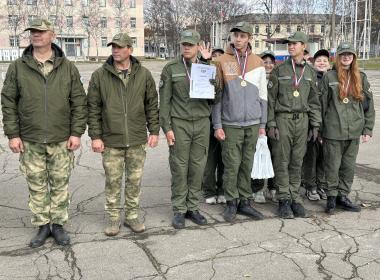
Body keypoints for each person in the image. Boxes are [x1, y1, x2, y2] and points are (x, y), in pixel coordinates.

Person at [1, 18, 87, 247]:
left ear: (52, 35)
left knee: (60, 183)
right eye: (33, 32)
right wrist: (13, 134)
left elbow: (79, 102)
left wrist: (76, 133)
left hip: (61, 138)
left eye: (41, 31)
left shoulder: (67, 67)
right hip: (30, 138)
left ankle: (57, 225)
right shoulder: (18, 67)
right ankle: (42, 225)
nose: (36, 35)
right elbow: (8, 101)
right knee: (36, 184)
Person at [87, 33, 159, 236]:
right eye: (113, 47)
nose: (115, 50)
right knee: (112, 181)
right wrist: (95, 136)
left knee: (134, 181)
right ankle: (112, 219)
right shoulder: (100, 76)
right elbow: (92, 108)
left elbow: (152, 105)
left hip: (136, 138)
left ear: (130, 49)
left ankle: (132, 216)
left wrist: (154, 131)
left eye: (120, 47)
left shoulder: (143, 75)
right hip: (111, 140)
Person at [159, 30, 214, 229]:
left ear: (199, 45)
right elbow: (164, 102)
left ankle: (192, 207)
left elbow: (215, 94)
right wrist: (167, 128)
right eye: (184, 44)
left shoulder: (206, 66)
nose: (187, 48)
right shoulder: (171, 68)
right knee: (180, 167)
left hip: (201, 122)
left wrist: (207, 65)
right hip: (180, 122)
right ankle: (179, 209)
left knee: (198, 167)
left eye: (191, 44)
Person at [212, 22, 267, 222]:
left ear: (249, 38)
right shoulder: (221, 61)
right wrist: (217, 124)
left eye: (243, 36)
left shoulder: (258, 62)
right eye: (236, 35)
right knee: (231, 165)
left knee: (247, 165)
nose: (238, 39)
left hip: (252, 123)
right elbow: (216, 96)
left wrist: (262, 124)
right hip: (231, 123)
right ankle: (231, 203)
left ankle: (245, 201)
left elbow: (263, 96)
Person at [267, 31, 321, 219]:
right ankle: (283, 199)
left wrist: (315, 124)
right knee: (282, 160)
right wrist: (271, 122)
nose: (290, 46)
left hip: (303, 120)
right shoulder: (279, 70)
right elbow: (270, 100)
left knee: (297, 160)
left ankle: (295, 198)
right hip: (283, 119)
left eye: (294, 43)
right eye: (289, 44)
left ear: (304, 46)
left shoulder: (311, 72)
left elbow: (314, 101)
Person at [320, 42, 375, 214]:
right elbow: (321, 105)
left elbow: (369, 106)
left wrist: (367, 129)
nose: (346, 57)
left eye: (349, 54)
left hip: (354, 130)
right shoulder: (329, 77)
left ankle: (342, 196)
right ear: (338, 57)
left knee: (348, 166)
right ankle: (331, 197)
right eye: (343, 54)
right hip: (333, 130)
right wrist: (319, 129)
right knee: (332, 165)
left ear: (353, 57)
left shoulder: (361, 77)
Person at [302, 49, 330, 201]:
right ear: (313, 63)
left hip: (329, 126)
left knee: (324, 158)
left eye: (325, 61)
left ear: (329, 63)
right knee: (311, 157)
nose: (322, 63)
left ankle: (321, 185)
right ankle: (310, 186)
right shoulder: (310, 78)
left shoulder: (332, 78)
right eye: (319, 60)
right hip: (312, 125)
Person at [251, 50, 277, 203]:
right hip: (258, 122)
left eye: (270, 62)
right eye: (264, 62)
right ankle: (257, 188)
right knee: (258, 156)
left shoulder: (277, 79)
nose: (268, 65)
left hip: (273, 123)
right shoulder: (254, 79)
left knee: (275, 155)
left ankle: (272, 187)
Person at [202, 47, 226, 205]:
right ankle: (209, 190)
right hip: (208, 123)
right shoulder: (204, 75)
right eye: (213, 57)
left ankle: (222, 190)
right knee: (210, 159)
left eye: (219, 57)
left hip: (226, 122)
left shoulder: (229, 78)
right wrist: (205, 61)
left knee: (224, 159)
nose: (216, 60)